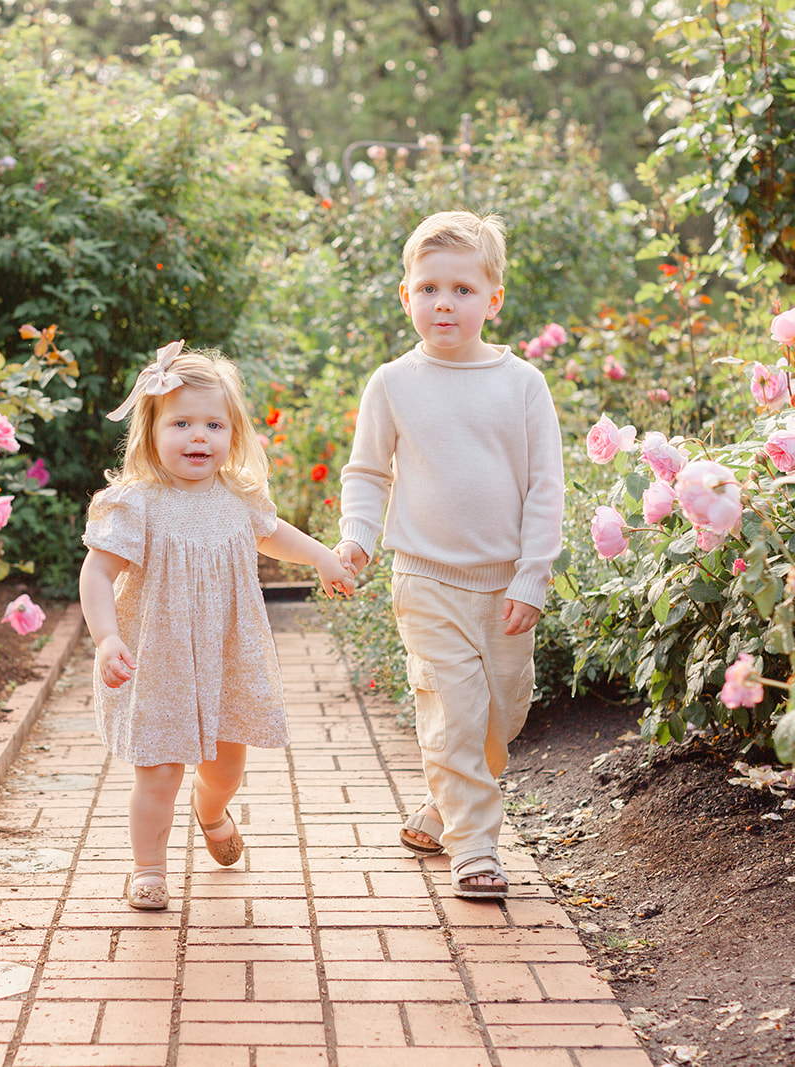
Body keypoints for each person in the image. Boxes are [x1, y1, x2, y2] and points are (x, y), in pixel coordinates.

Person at [79, 341, 356, 911]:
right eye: (181, 423)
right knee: (158, 772)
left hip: (228, 655)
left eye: (213, 424)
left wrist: (325, 557)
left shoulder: (237, 497)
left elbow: (275, 534)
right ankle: (149, 868)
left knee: (225, 767)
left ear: (234, 433)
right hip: (159, 660)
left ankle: (212, 812)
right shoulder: (138, 503)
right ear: (151, 432)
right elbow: (97, 573)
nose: (198, 436)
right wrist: (107, 637)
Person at [335, 210, 564, 899]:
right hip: (425, 578)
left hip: (504, 585)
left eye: (462, 289)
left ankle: (445, 803)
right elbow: (368, 472)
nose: (444, 302)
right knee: (456, 709)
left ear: (494, 299)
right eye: (429, 287)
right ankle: (475, 847)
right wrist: (357, 536)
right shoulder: (393, 383)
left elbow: (545, 485)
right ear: (406, 295)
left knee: (504, 709)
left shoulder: (522, 384)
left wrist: (533, 574)